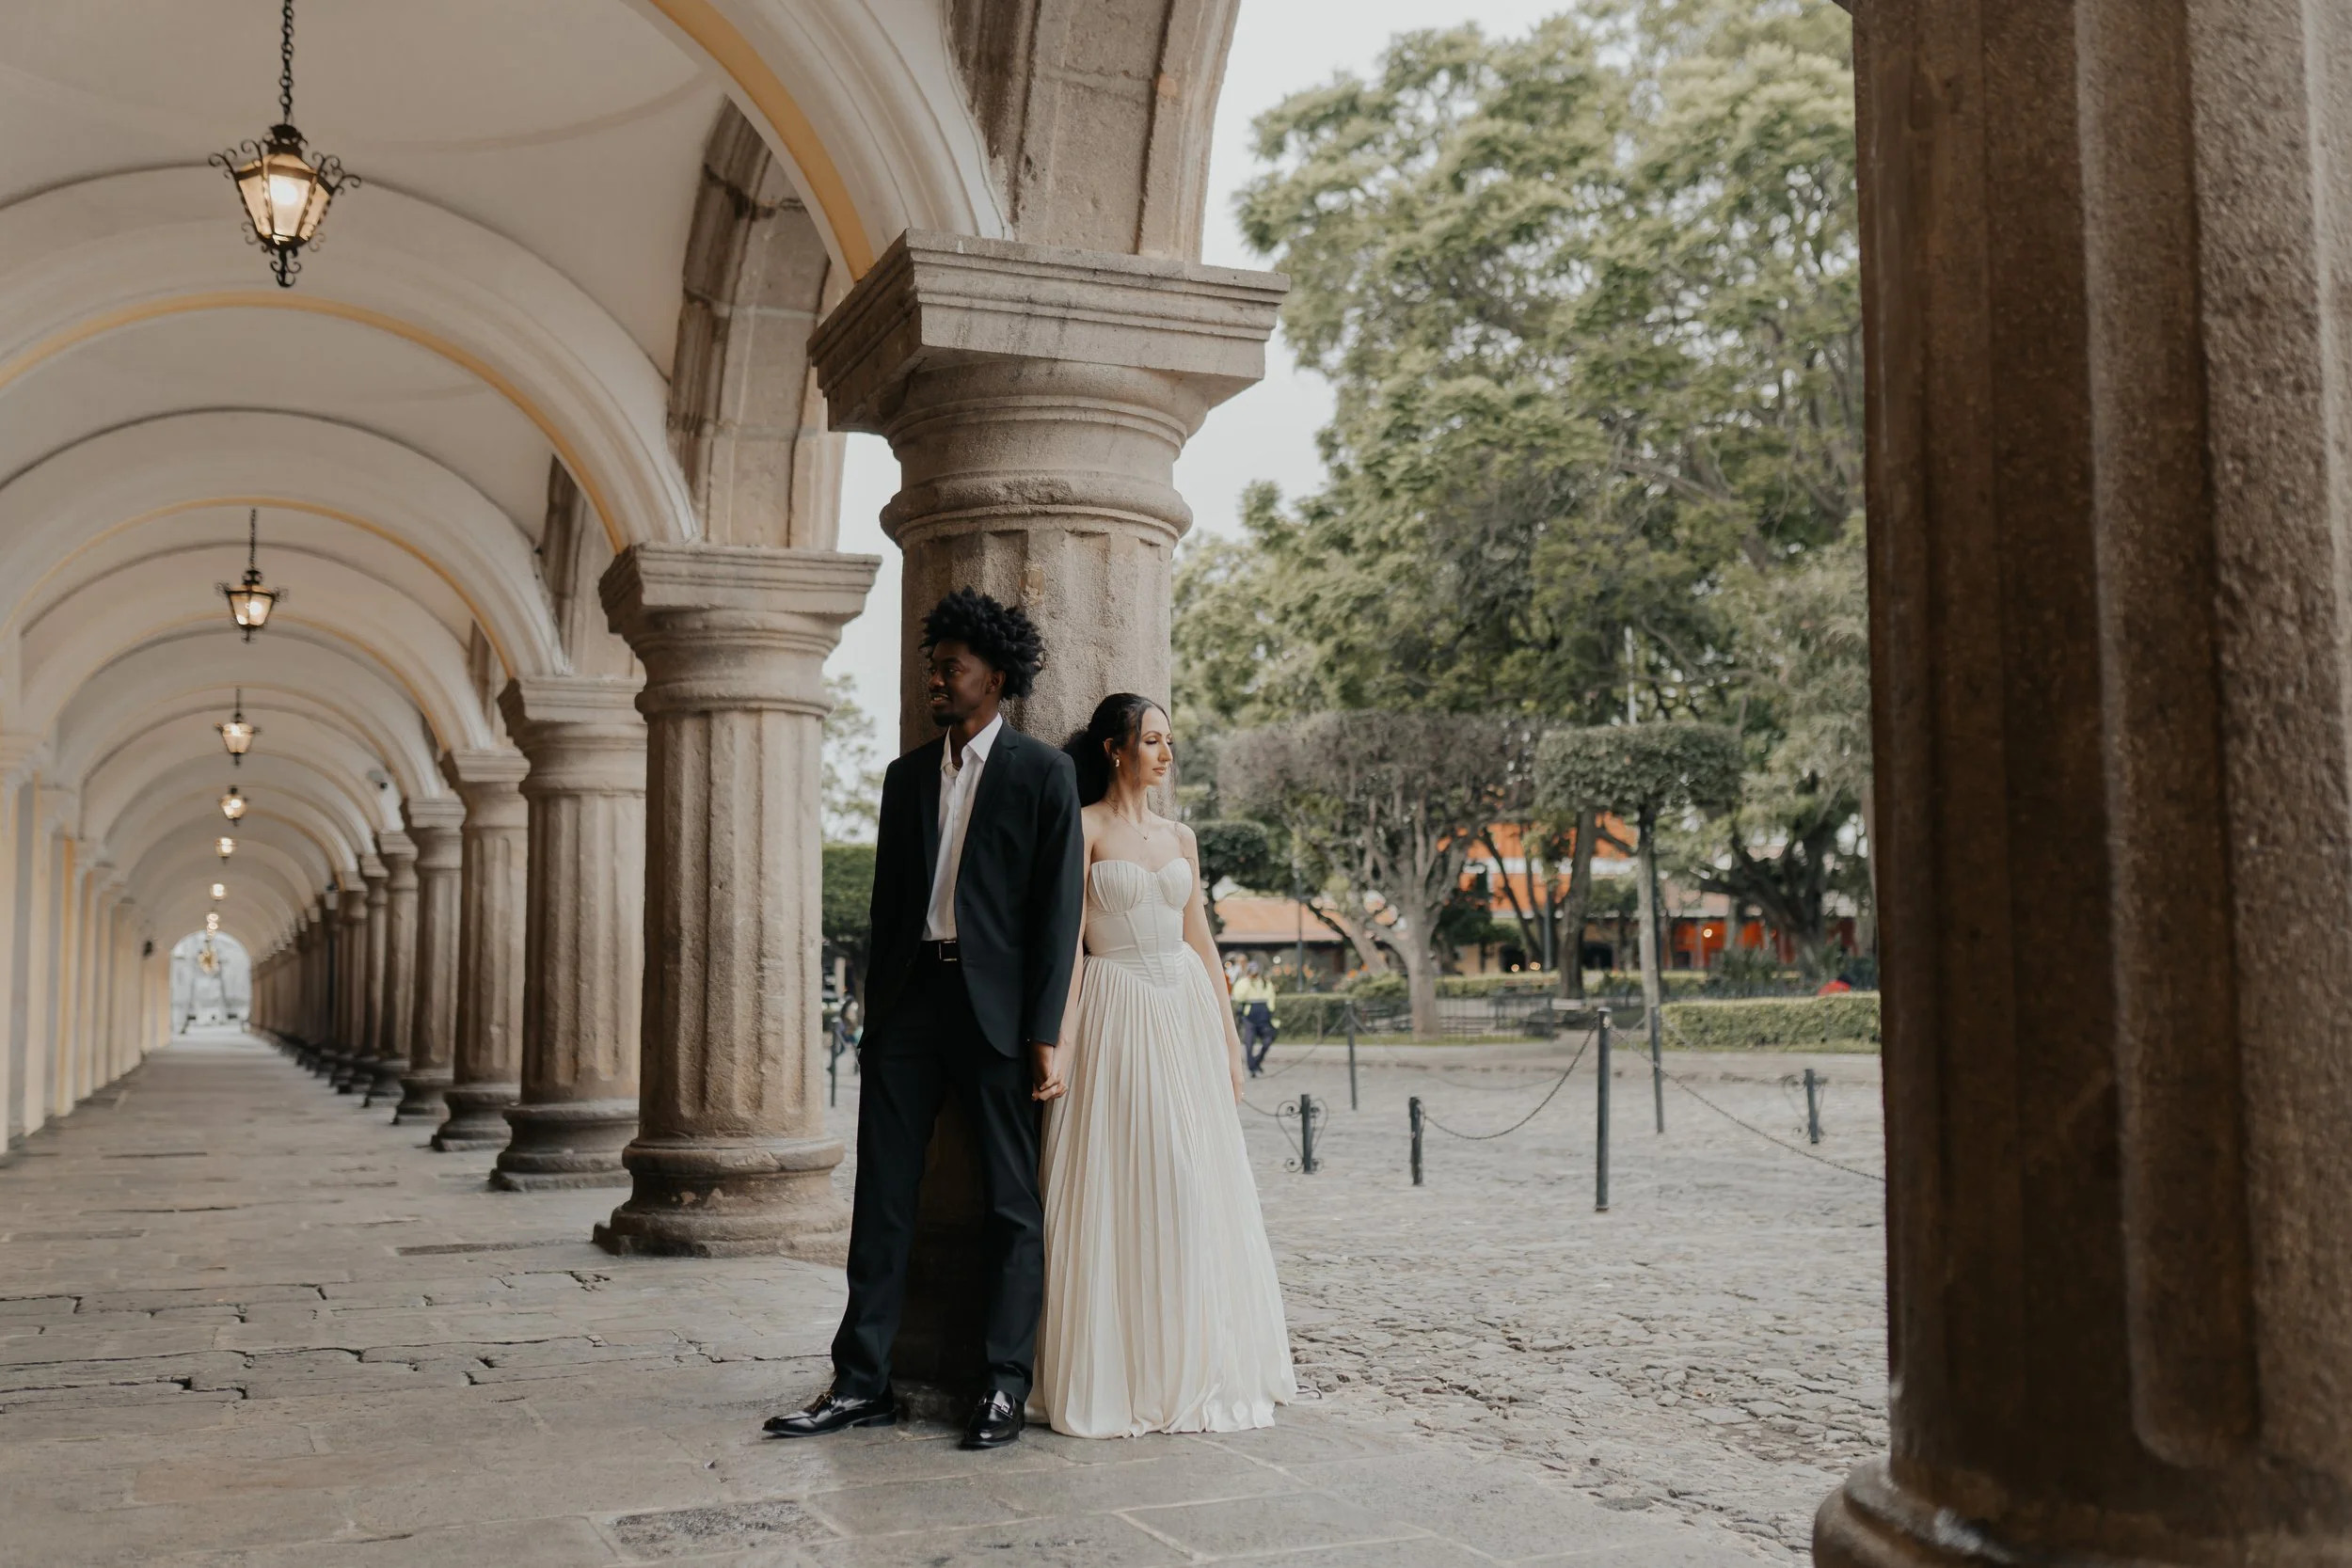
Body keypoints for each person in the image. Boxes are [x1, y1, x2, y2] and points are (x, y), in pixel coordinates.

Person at [766, 589, 1085, 1452]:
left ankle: (1004, 1385)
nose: (936, 678)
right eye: (932, 665)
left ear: (998, 676)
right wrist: (877, 1008)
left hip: (998, 1015)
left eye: (953, 666)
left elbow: (1057, 918)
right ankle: (860, 1380)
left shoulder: (1043, 773)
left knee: (1012, 1205)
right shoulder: (906, 777)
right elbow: (889, 904)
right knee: (882, 1197)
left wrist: (1044, 1030)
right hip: (911, 1007)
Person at [1032, 693, 1295, 1438]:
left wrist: (1227, 1037)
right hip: (1116, 1009)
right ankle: (1130, 1368)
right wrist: (1062, 1039)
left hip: (1181, 1007)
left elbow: (1201, 939)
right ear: (1116, 748)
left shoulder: (1180, 835)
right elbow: (1072, 949)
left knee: (1194, 1178)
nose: (1166, 753)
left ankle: (1198, 1358)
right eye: (1153, 739)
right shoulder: (1082, 827)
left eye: (1170, 741)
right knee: (1127, 1178)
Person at [1231, 960, 1279, 1076]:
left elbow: (1271, 996)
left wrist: (1270, 1009)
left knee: (1268, 1040)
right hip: (1249, 1016)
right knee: (1249, 1042)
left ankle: (1256, 1061)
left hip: (1263, 1015)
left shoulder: (1265, 983)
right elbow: (1239, 997)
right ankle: (1251, 1066)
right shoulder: (1243, 982)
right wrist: (1248, 981)